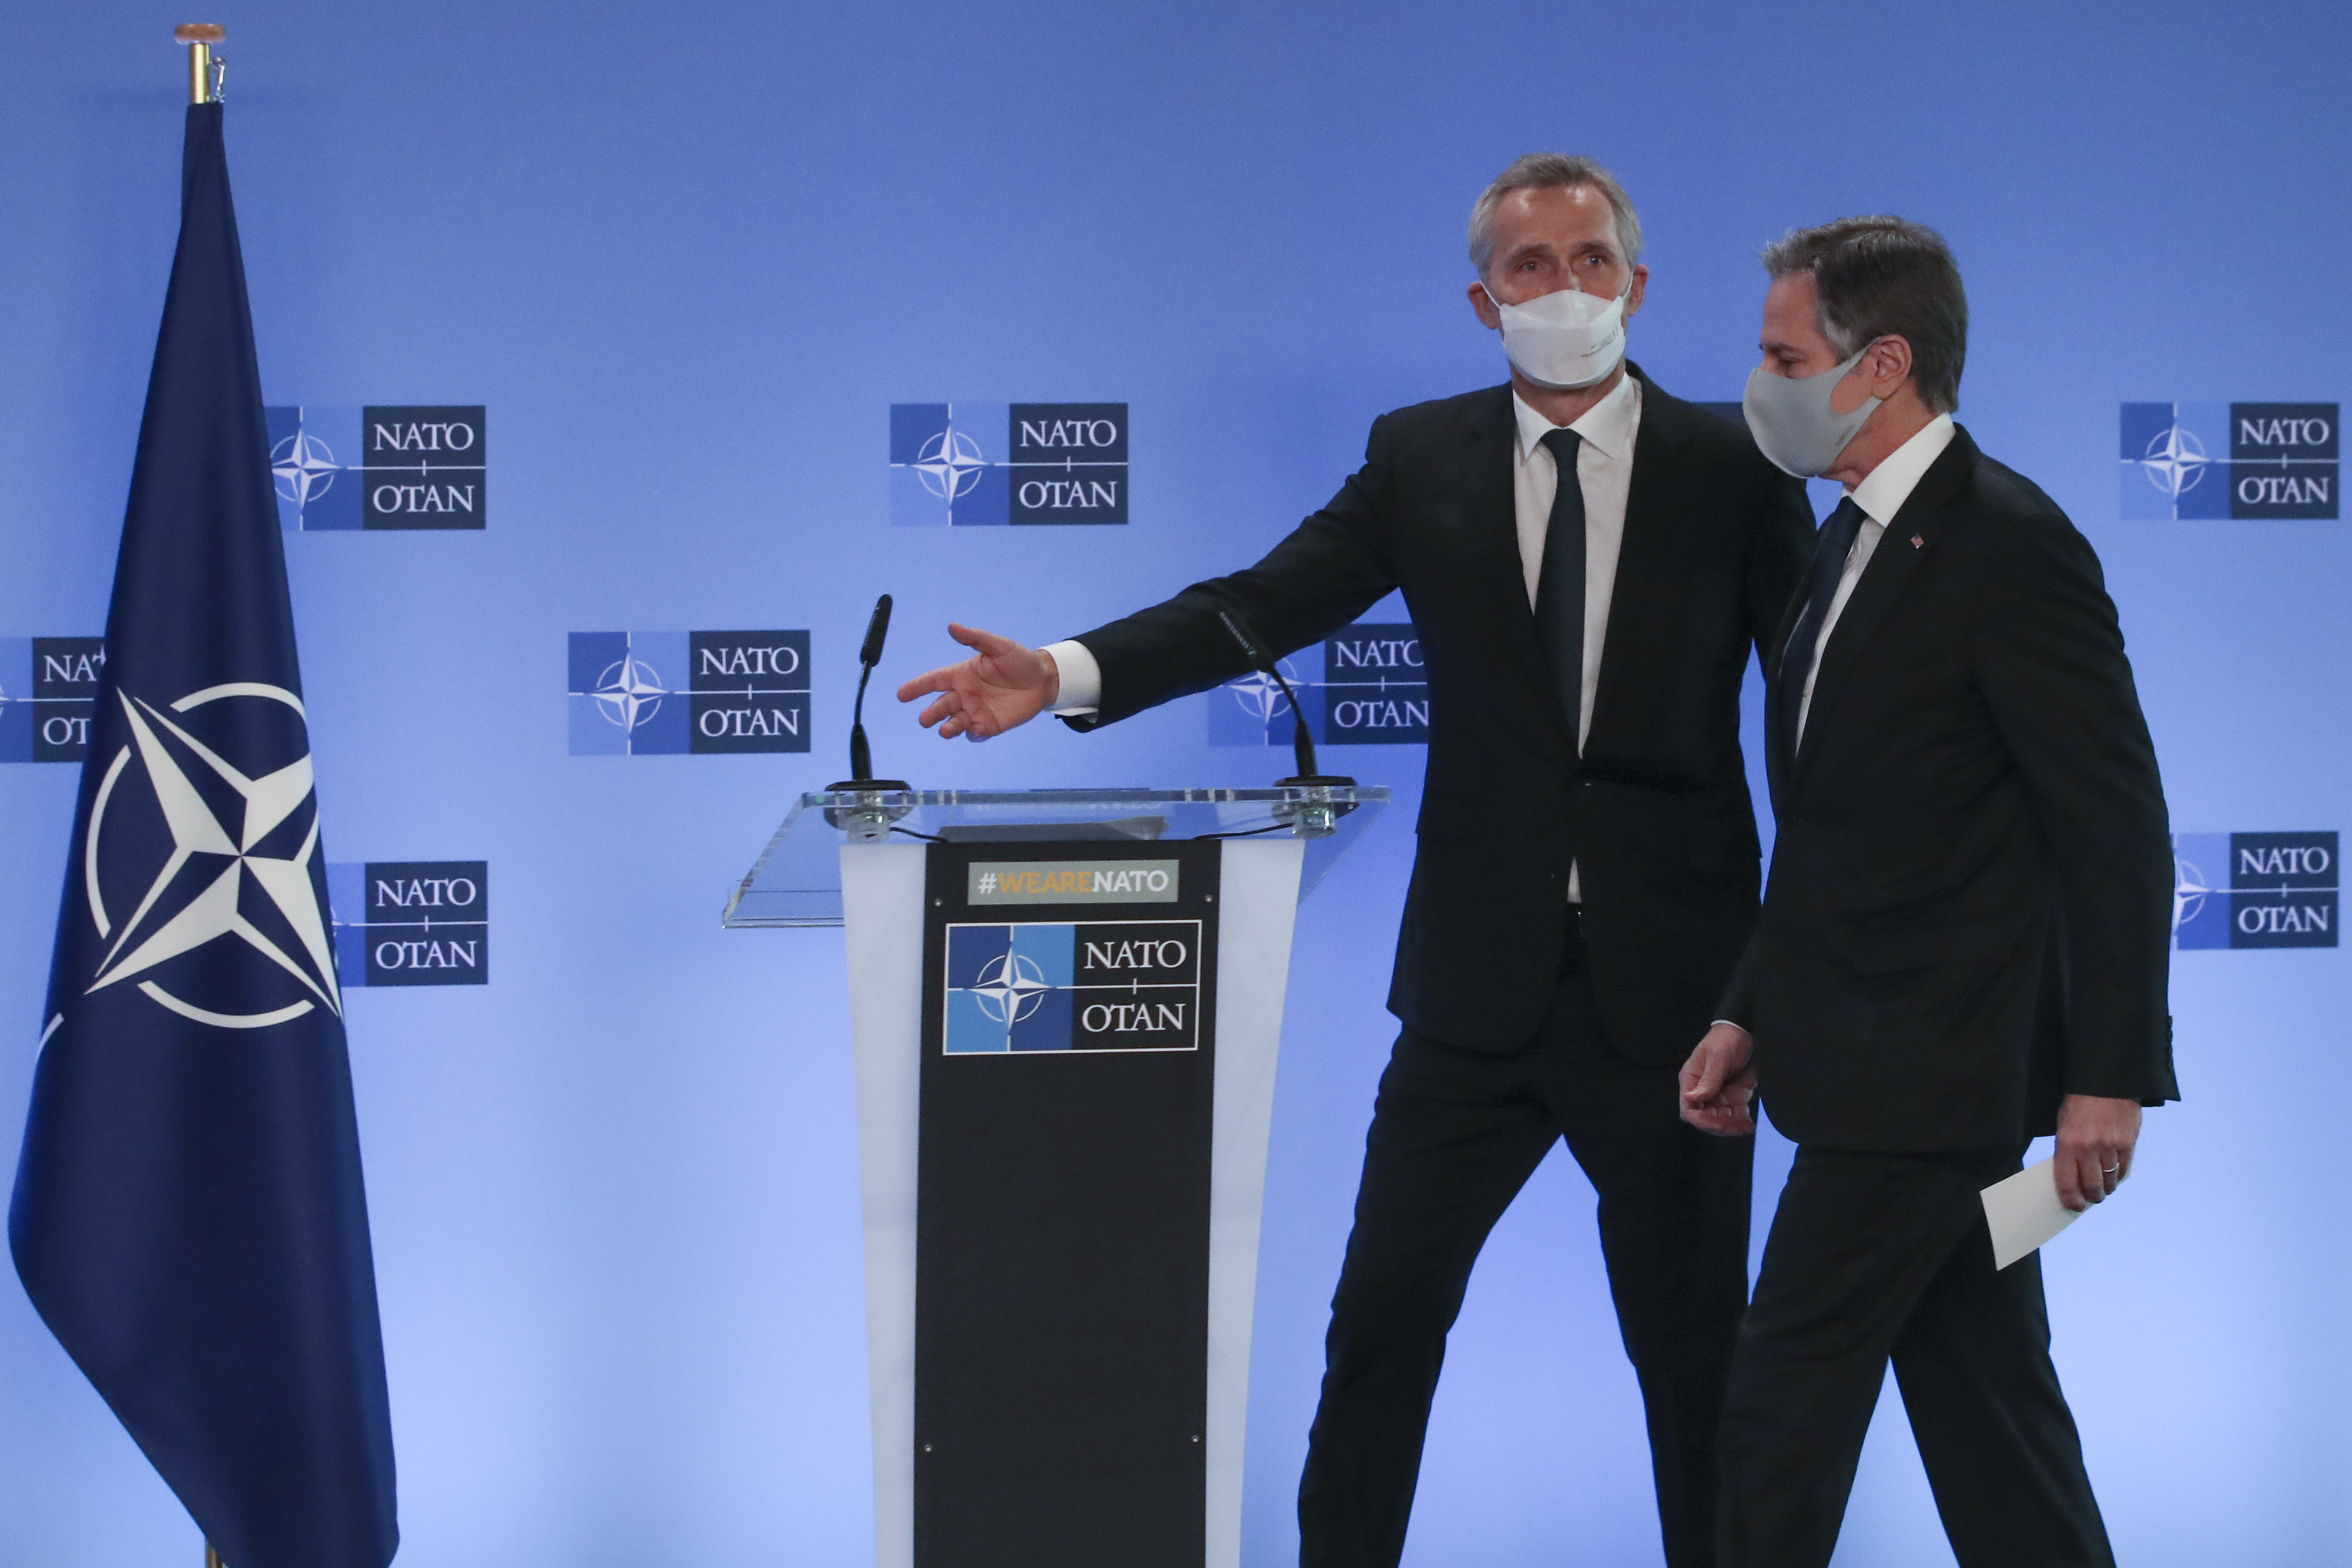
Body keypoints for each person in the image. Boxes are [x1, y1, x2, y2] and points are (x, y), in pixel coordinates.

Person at [899, 153, 1812, 1568]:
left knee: (1700, 1366)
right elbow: (1257, 605)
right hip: (1470, 999)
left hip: (1679, 1002)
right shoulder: (1418, 456)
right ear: (1480, 298)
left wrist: (1774, 984)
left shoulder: (1742, 465)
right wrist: (1068, 671)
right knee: (1378, 1333)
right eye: (1529, 265)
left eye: (1588, 260)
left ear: (1636, 282)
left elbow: (1818, 719)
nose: (1561, 287)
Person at [1677, 215, 2179, 1568]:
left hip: (1924, 1088)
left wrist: (2110, 1073)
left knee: (1775, 1425)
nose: (1760, 376)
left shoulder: (2012, 544)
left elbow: (2114, 824)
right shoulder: (1842, 542)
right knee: (1992, 1421)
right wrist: (1749, 1009)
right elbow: (1837, 835)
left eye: (1783, 352)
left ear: (1880, 362)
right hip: (1854, 1061)